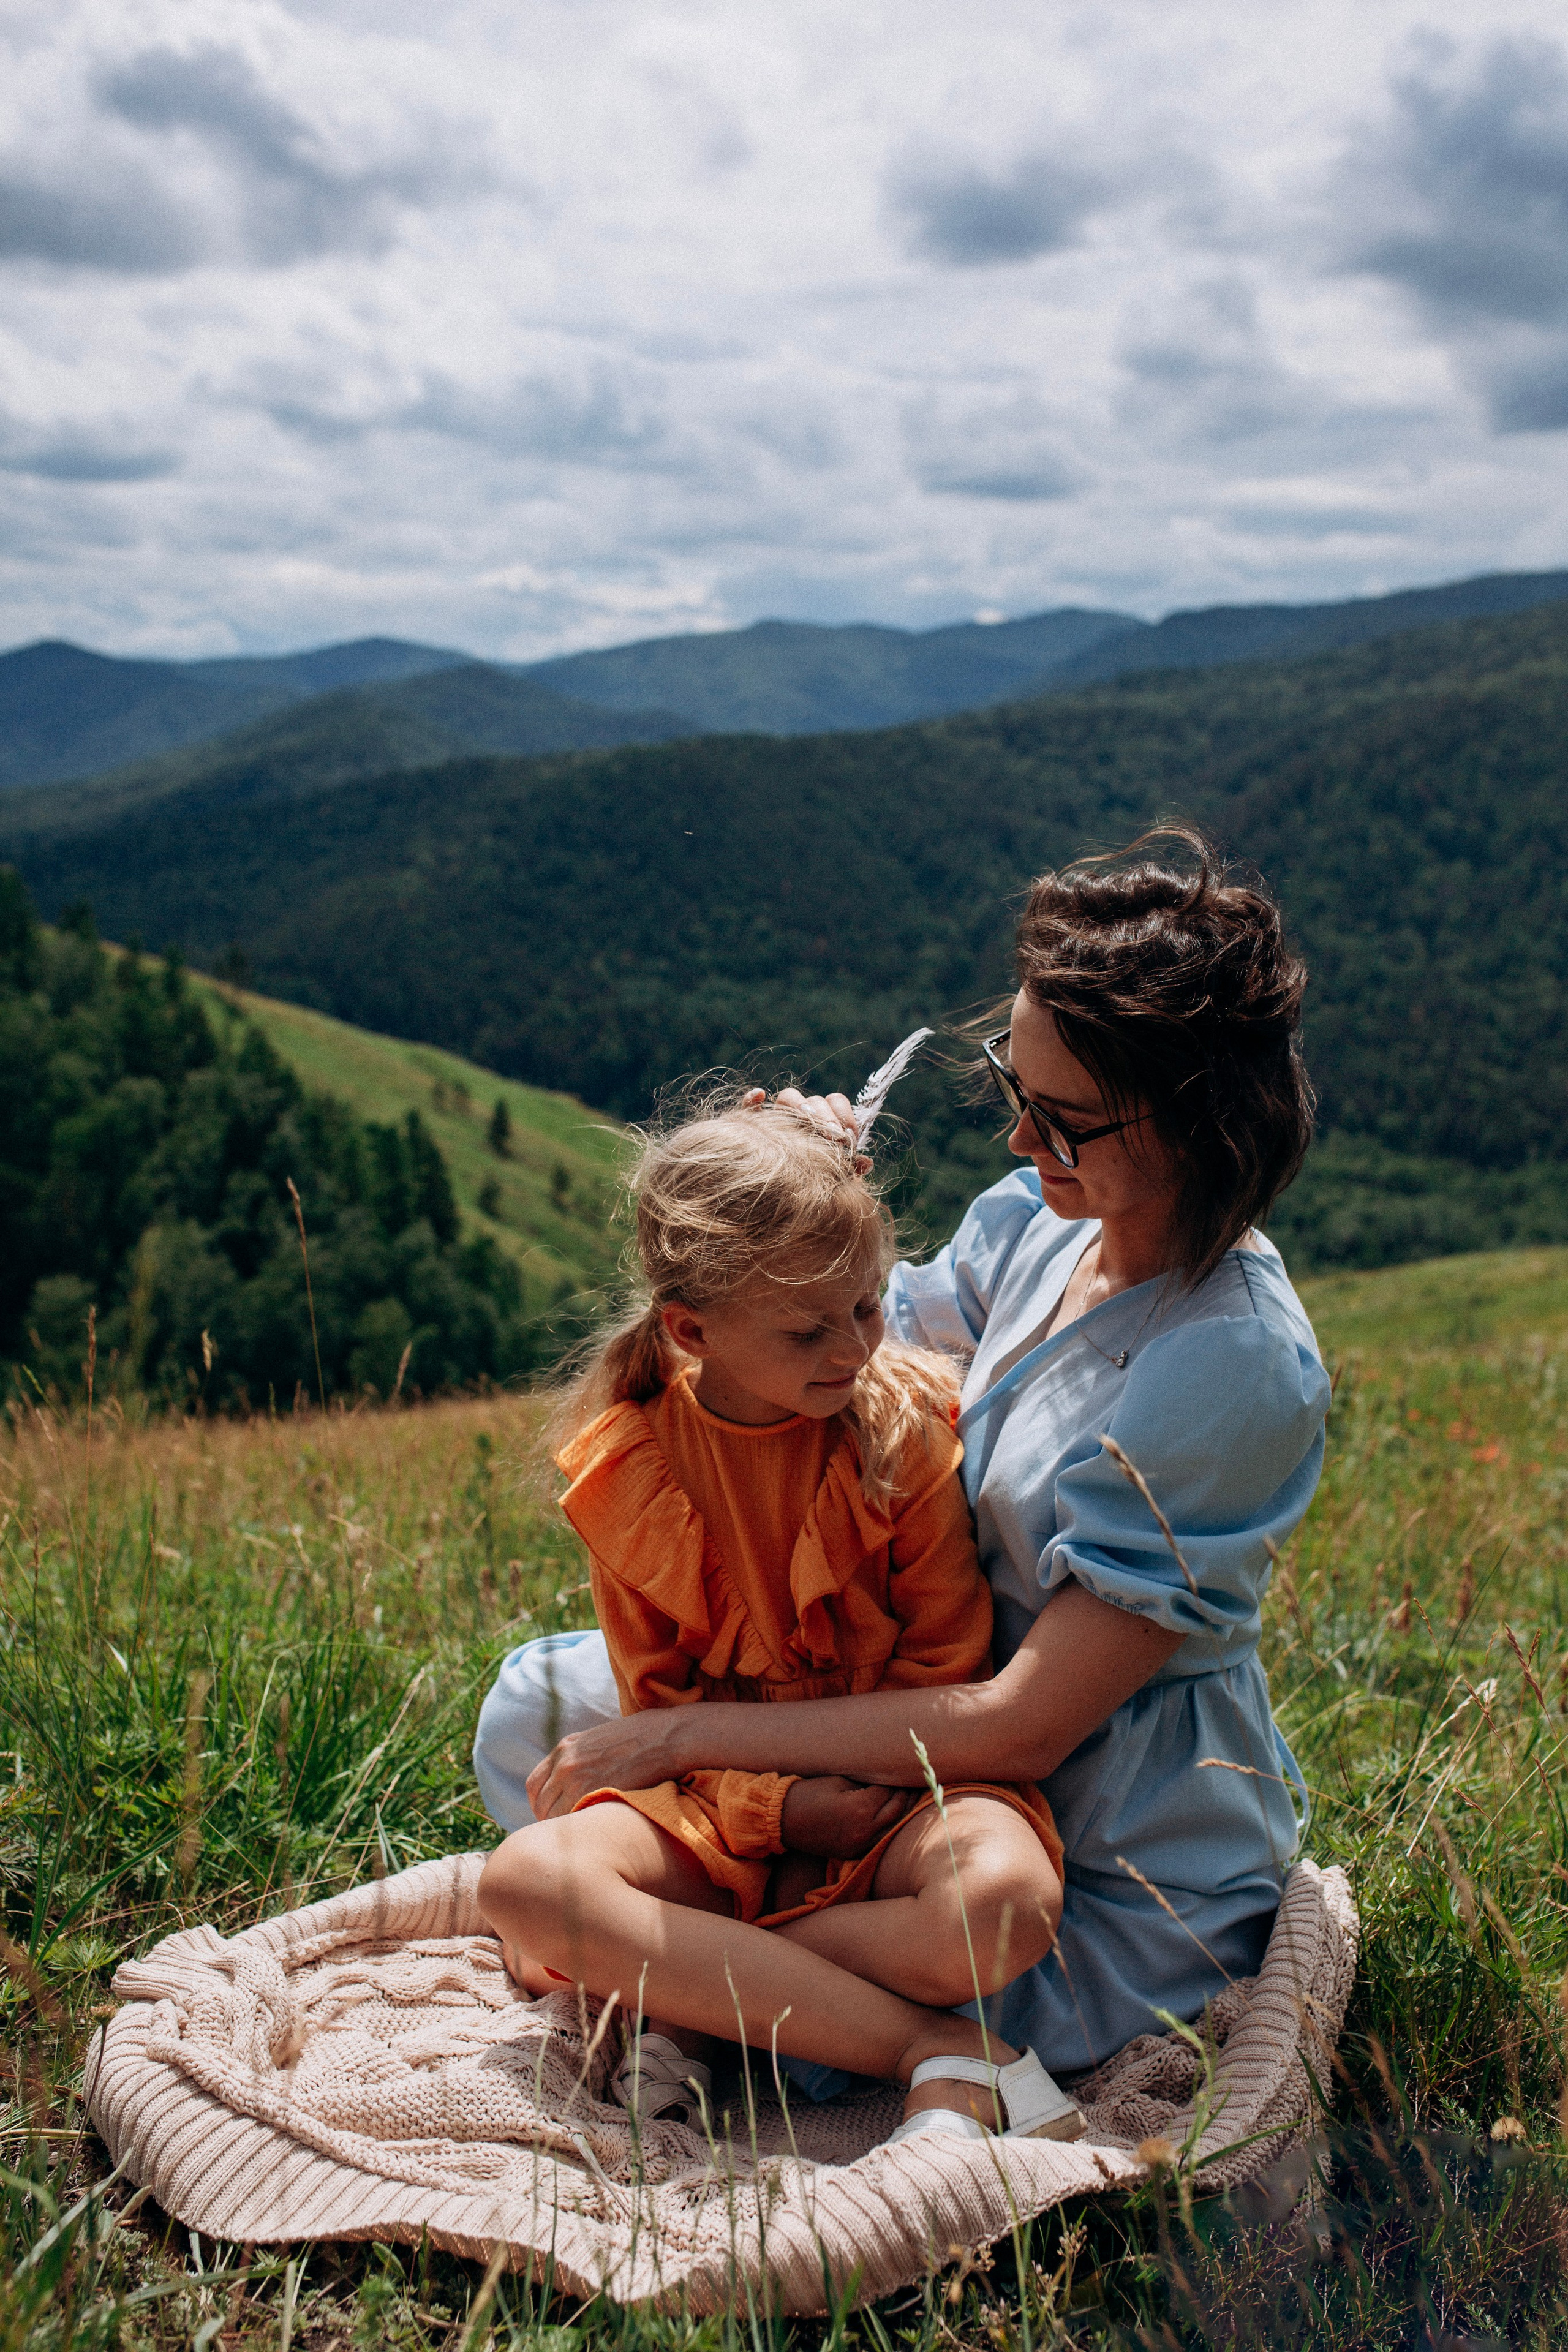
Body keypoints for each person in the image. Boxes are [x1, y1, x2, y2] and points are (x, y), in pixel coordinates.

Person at [475, 826, 1330, 2095]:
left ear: (1194, 1121)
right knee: (525, 1711)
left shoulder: (1227, 1364)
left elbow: (1025, 1725)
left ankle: (705, 1976)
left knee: (620, 1775)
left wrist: (681, 1745)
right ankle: (732, 1973)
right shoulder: (1035, 1223)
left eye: (1062, 1119)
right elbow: (813, 1375)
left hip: (1082, 1812)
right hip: (869, 1694)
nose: (1016, 1140)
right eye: (1010, 1090)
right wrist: (773, 1201)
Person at [477, 1094, 1082, 2146]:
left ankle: (699, 1994)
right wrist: (783, 1815)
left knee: (1004, 1905)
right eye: (808, 1328)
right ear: (690, 1330)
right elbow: (660, 1710)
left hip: (906, 1795)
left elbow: (948, 1671)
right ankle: (928, 2047)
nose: (851, 1348)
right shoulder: (632, 1468)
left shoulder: (905, 1434)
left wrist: (835, 1813)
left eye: (866, 1307)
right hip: (718, 1815)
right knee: (528, 1883)